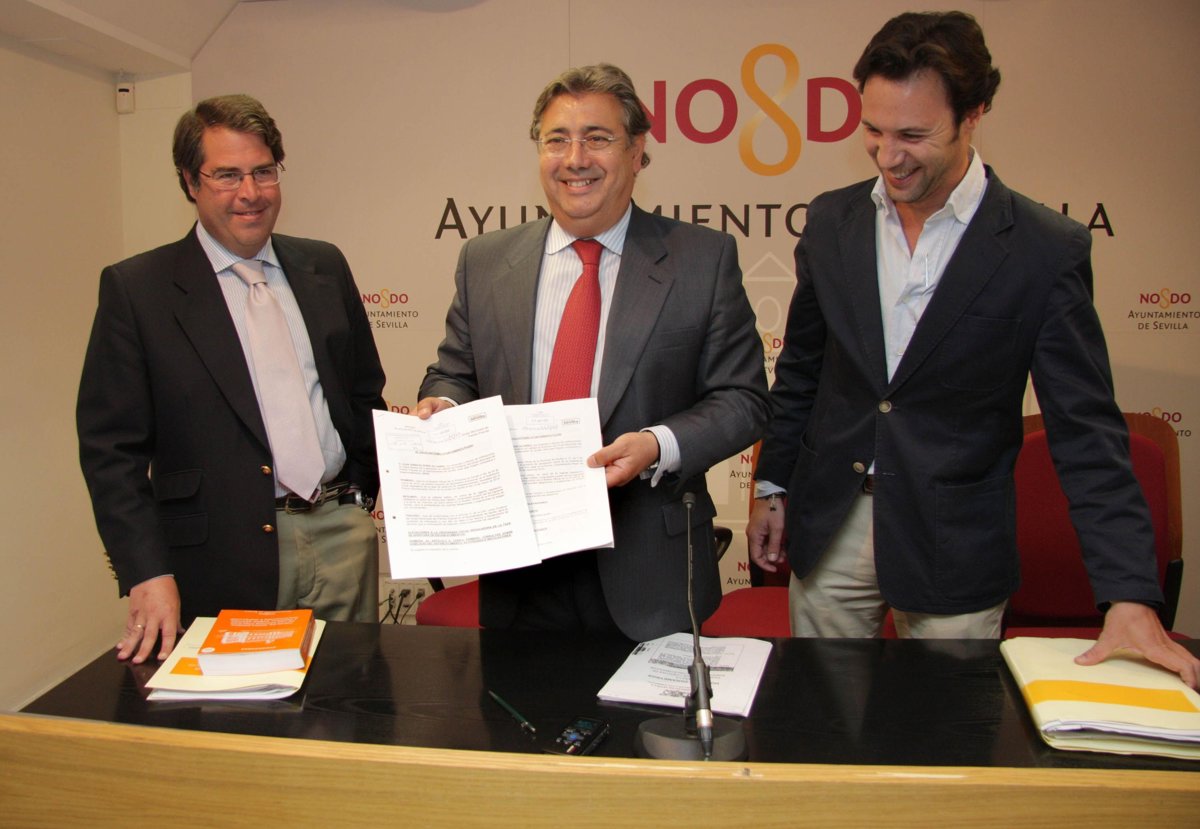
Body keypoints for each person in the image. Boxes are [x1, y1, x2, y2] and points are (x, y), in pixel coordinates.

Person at [747, 11, 1199, 687]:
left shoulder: (1044, 250)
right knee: (822, 723)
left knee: (946, 730)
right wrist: (772, 484)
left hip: (955, 543)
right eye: (874, 130)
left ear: (973, 115)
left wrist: (1129, 594)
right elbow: (803, 370)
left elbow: (1086, 432)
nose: (888, 155)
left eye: (913, 135)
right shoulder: (833, 220)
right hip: (832, 526)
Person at [417, 64, 769, 642]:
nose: (575, 159)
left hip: (647, 573)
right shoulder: (485, 261)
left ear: (637, 151)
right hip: (519, 572)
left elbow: (744, 400)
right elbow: (455, 372)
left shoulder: (701, 261)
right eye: (557, 139)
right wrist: (445, 406)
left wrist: (657, 444)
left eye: (597, 138)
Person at [77, 94, 386, 664]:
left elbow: (363, 392)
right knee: (239, 709)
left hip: (340, 537)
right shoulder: (138, 290)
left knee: (350, 699)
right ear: (189, 182)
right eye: (227, 175)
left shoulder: (324, 265)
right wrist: (145, 570)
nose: (251, 193)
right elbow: (110, 451)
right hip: (222, 554)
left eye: (264, 172)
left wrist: (360, 498)